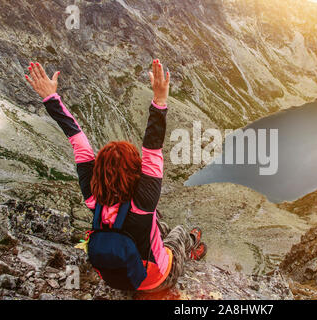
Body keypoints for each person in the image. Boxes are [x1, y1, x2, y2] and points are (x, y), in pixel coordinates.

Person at [24, 60, 207, 292]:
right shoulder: (144, 202)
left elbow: (78, 143)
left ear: (97, 171)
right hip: (156, 280)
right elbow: (152, 148)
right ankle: (191, 249)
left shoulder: (93, 197)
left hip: (118, 280)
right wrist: (160, 100)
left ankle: (164, 242)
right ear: (135, 170)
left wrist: (51, 98)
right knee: (179, 232)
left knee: (156, 219)